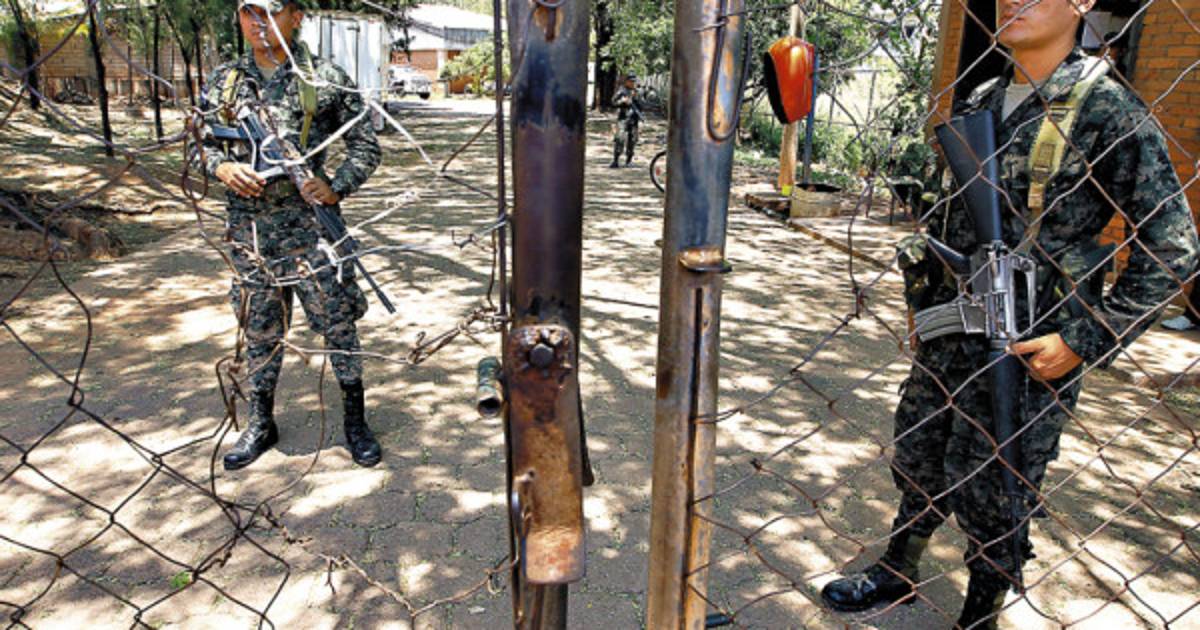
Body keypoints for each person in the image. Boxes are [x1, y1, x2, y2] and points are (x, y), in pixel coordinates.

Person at [820, 0, 1199, 628]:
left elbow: (1173, 247)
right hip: (952, 331)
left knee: (997, 487)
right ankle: (898, 568)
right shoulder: (983, 99)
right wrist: (925, 301)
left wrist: (1085, 338)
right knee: (918, 457)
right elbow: (947, 218)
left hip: (1027, 346)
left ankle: (981, 612)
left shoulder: (1109, 110)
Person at [199, 0, 384, 471]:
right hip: (250, 233)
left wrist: (336, 186)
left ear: (295, 17)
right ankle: (261, 423)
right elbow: (201, 143)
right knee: (259, 330)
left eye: (270, 11)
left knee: (338, 325)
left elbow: (365, 144)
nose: (257, 22)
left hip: (311, 231)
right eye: (248, 11)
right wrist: (221, 168)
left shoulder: (324, 78)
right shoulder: (224, 80)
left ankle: (355, 421)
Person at [610, 73, 643, 168]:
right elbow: (613, 102)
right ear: (626, 81)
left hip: (634, 118)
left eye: (634, 81)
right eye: (630, 81)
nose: (632, 83)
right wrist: (623, 101)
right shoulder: (622, 91)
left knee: (632, 140)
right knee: (620, 138)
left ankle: (629, 160)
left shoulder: (638, 92)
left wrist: (636, 99)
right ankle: (616, 160)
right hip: (623, 118)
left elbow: (642, 105)